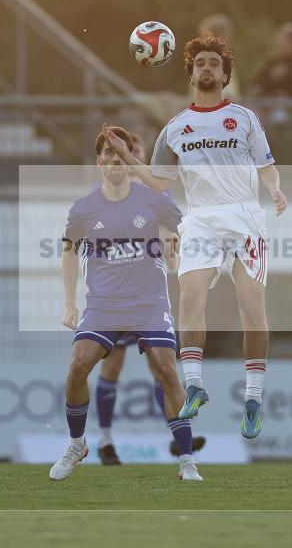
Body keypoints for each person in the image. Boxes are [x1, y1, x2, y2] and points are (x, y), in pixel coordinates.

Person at [105, 33, 287, 439]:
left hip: (244, 218)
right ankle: (195, 385)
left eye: (213, 64)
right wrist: (128, 156)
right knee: (188, 297)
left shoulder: (244, 118)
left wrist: (274, 188)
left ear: (224, 76)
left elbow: (267, 165)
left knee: (250, 308)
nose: (207, 68)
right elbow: (158, 183)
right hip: (201, 220)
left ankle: (253, 398)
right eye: (200, 63)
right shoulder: (175, 129)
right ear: (190, 72)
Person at [54, 125, 201, 481]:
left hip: (148, 300)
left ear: (131, 159)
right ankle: (78, 444)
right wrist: (70, 304)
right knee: (78, 365)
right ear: (98, 161)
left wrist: (173, 244)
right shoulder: (85, 208)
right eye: (108, 153)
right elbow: (69, 251)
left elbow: (178, 227)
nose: (115, 160)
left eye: (122, 153)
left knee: (166, 369)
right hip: (104, 304)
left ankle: (186, 460)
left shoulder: (152, 198)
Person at [92, 131, 206, 465]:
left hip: (148, 293)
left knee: (163, 366)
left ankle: (178, 437)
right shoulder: (107, 196)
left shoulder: (153, 195)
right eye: (129, 156)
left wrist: (176, 255)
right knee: (112, 362)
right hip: (113, 295)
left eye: (136, 157)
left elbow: (172, 231)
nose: (131, 163)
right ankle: (105, 439)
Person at [248, 22, 292, 98]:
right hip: (267, 106)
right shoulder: (271, 62)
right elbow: (256, 85)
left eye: (288, 41)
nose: (282, 43)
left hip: (288, 107)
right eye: (282, 40)